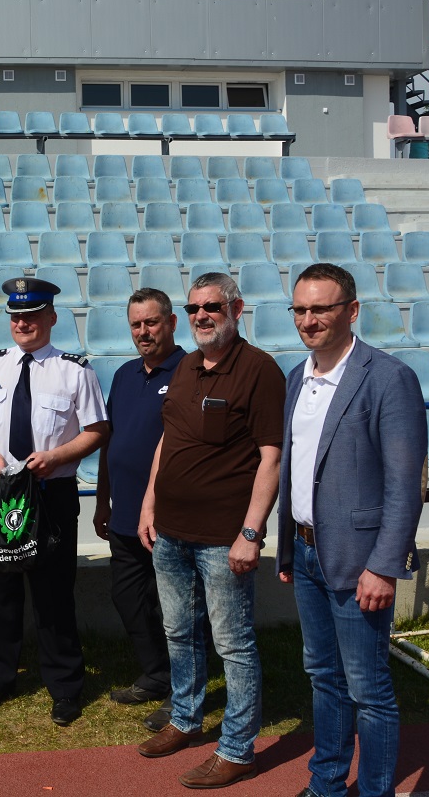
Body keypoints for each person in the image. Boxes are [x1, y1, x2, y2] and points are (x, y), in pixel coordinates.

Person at [278, 264, 427, 797]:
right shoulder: (296, 377)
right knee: (324, 677)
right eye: (300, 309)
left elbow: (405, 486)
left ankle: (376, 791)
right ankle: (327, 784)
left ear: (352, 311)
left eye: (322, 308)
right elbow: (296, 469)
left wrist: (384, 566)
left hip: (361, 560)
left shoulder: (388, 378)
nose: (309, 320)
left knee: (368, 689)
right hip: (307, 552)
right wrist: (289, 550)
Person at [136, 272, 285, 788]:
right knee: (179, 632)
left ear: (236, 310)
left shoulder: (260, 370)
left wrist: (251, 532)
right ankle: (185, 719)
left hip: (224, 537)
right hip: (170, 531)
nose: (201, 315)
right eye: (194, 308)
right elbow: (168, 441)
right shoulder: (186, 366)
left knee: (233, 644)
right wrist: (150, 503)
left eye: (212, 307)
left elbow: (271, 458)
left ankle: (238, 749)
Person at [0, 277, 108, 726]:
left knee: (53, 594)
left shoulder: (75, 371)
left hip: (50, 494)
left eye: (31, 316)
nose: (22, 323)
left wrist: (58, 457)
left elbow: (97, 430)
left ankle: (64, 687)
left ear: (52, 318)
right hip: (0, 492)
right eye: (16, 317)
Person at [92, 288, 185, 733]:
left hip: (171, 516)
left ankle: (183, 691)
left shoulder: (190, 371)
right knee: (127, 597)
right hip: (124, 514)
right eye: (136, 324)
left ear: (171, 323)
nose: (143, 332)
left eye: (151, 322)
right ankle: (156, 674)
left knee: (178, 609)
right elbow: (110, 441)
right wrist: (102, 499)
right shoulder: (125, 374)